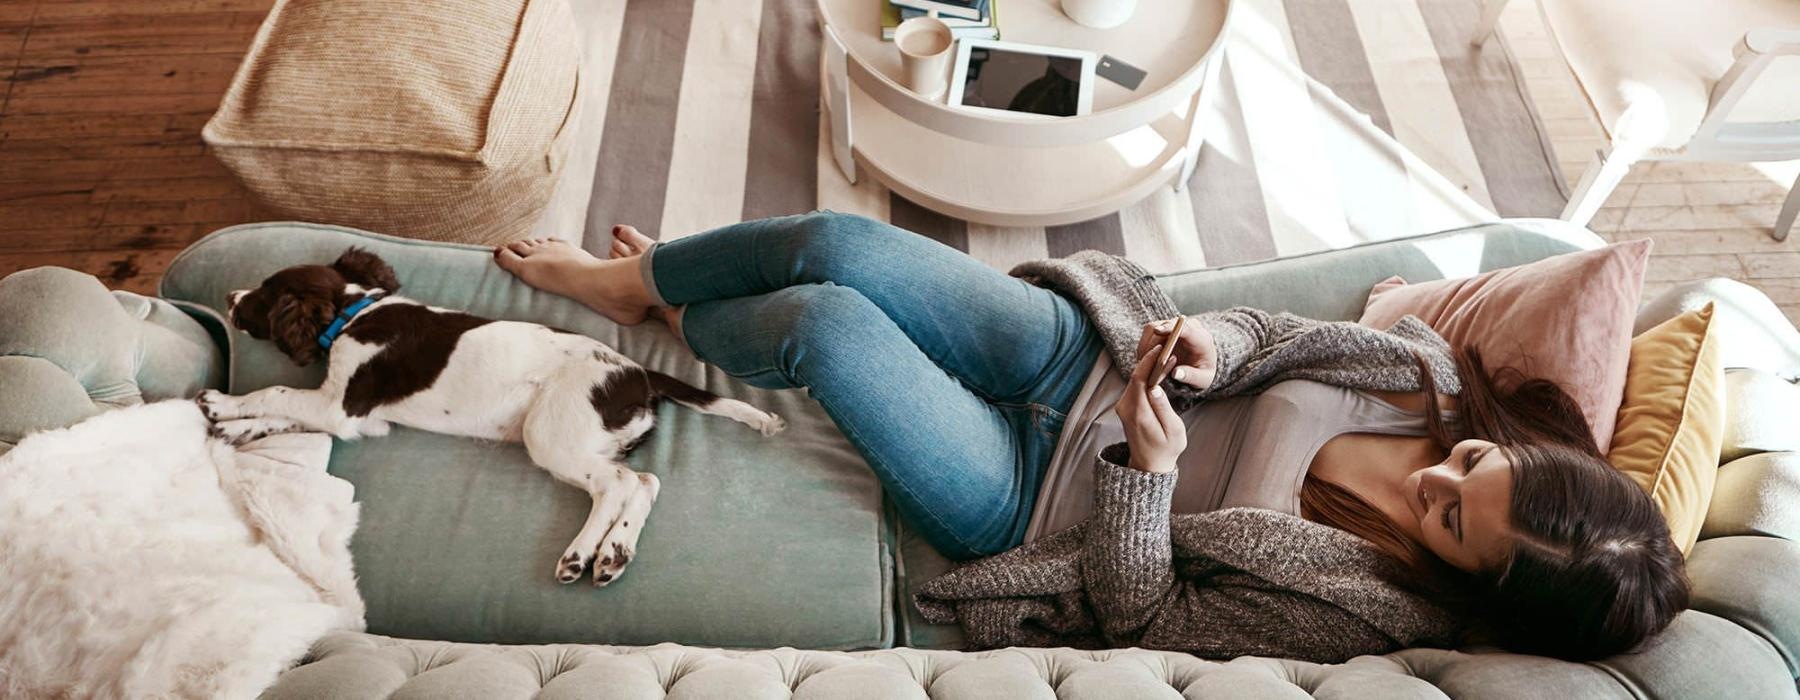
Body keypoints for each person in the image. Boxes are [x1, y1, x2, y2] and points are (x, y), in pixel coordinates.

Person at [493, 212, 1687, 663]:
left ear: (1468, 583)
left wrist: (1150, 475)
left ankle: (682, 313)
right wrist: (1216, 344)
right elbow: (1274, 334)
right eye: (1477, 467)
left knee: (822, 323)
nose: (1439, 475)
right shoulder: (1429, 376)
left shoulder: (1366, 609)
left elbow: (1148, 616)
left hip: (1030, 498)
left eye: (1447, 518)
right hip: (1080, 357)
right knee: (840, 245)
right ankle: (637, 282)